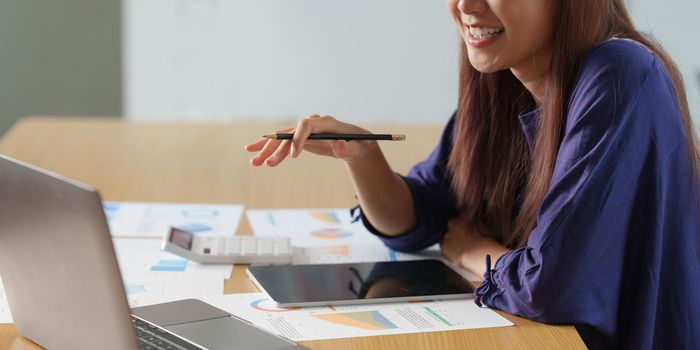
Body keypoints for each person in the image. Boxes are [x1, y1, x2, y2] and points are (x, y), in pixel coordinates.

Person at [245, 0, 700, 348]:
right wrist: (362, 157)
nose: (465, 5)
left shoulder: (620, 74)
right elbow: (419, 219)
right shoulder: (503, 81)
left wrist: (473, 251)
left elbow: (550, 288)